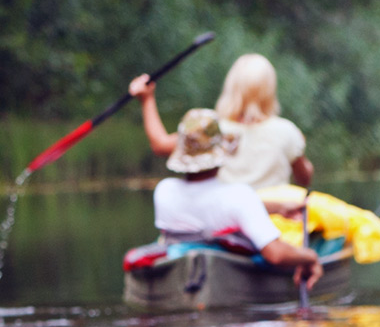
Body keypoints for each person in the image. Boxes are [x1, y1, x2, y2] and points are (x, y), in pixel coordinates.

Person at [152, 109, 323, 286]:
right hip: (222, 280)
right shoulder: (239, 196)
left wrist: (278, 208)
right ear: (220, 154)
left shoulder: (164, 190)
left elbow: (209, 204)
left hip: (181, 273)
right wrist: (309, 257)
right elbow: (276, 254)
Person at [132, 52, 313, 191]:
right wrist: (299, 149)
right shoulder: (287, 130)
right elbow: (304, 179)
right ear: (269, 91)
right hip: (274, 221)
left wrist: (147, 100)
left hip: (226, 220)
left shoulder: (212, 128)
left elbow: (160, 145)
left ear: (232, 86)